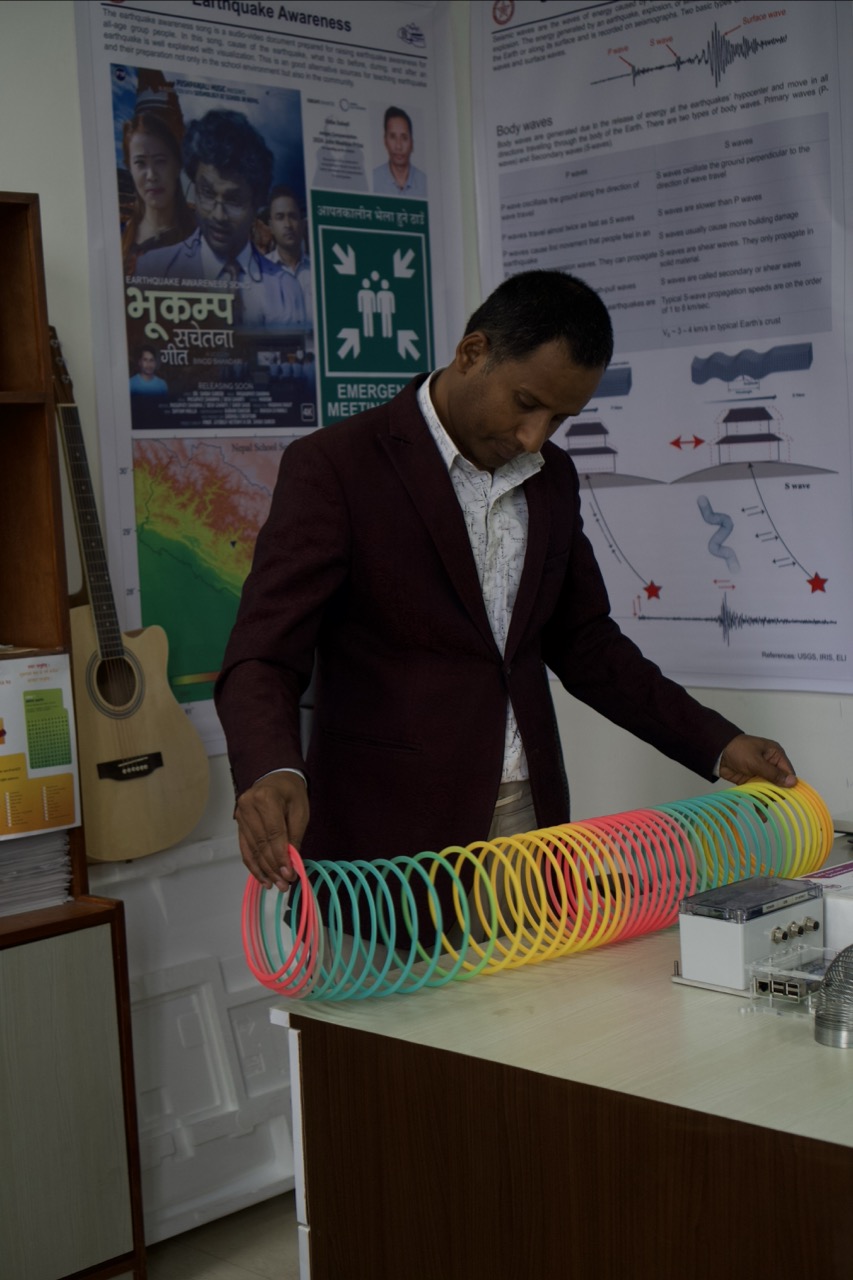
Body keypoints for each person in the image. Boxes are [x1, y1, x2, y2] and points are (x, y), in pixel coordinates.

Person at [215, 271, 796, 914]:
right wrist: (271, 768)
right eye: (525, 403)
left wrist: (716, 742)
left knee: (534, 1015)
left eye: (560, 419)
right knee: (391, 1019)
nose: (534, 437)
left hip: (530, 831)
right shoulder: (336, 466)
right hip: (385, 839)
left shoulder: (552, 477)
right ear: (472, 354)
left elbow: (585, 642)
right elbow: (263, 653)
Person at [137, 109, 306, 331]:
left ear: (256, 203)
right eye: (206, 193)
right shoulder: (154, 268)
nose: (218, 215)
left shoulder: (286, 290)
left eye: (234, 200)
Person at [121, 109, 196, 277]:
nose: (152, 175)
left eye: (160, 161)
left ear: (177, 165)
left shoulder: (200, 236)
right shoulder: (123, 236)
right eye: (140, 163)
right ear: (130, 168)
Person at [265, 185, 313, 325]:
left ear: (302, 224)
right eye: (280, 217)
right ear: (271, 226)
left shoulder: (319, 271)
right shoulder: (259, 273)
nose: (287, 224)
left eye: (292, 216)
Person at [372, 107, 427, 198]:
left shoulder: (425, 183)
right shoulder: (374, 180)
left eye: (404, 138)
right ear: (385, 140)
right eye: (393, 137)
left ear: (412, 142)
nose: (398, 146)